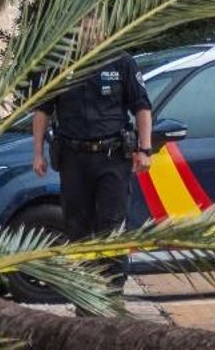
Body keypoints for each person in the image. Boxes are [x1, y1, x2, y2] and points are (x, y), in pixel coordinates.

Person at [31, 43, 154, 245]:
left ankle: (113, 277)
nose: (88, 33)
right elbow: (42, 110)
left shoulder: (121, 62)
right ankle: (84, 275)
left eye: (93, 25)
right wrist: (37, 154)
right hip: (73, 159)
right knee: (76, 226)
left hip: (112, 157)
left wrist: (145, 148)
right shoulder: (58, 65)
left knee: (111, 226)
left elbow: (142, 106)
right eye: (82, 26)